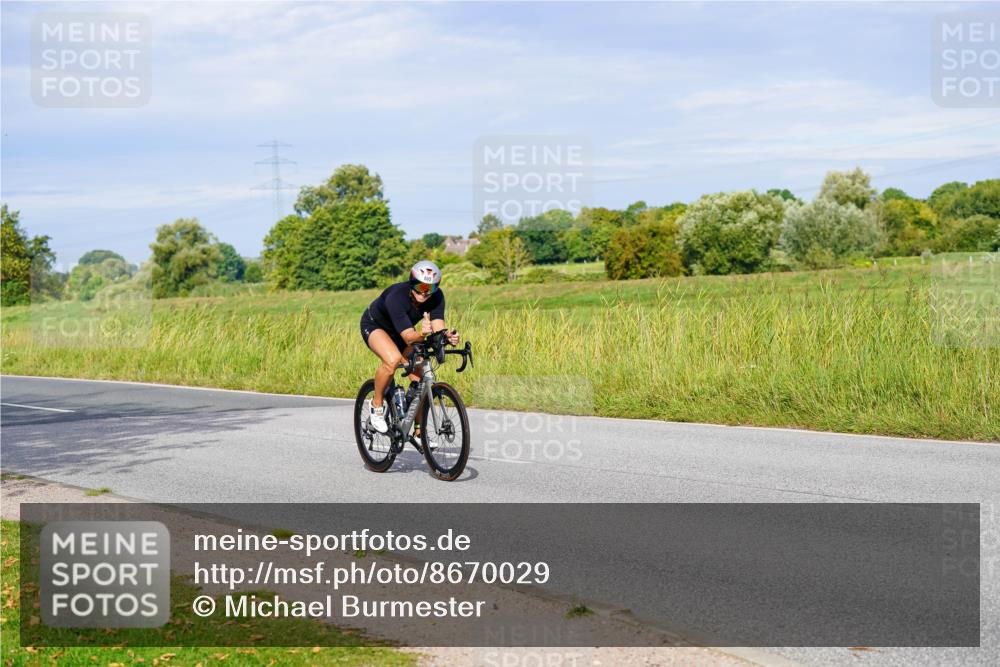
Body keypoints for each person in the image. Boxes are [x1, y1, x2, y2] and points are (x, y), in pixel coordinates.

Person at [360, 260, 460, 434]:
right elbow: (408, 337)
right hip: (377, 326)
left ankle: (419, 428)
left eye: (431, 288)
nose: (426, 292)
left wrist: (446, 336)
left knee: (420, 374)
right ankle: (376, 405)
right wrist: (422, 334)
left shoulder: (436, 297)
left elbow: (437, 328)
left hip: (404, 330)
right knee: (392, 361)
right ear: (412, 283)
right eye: (421, 287)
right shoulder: (397, 296)